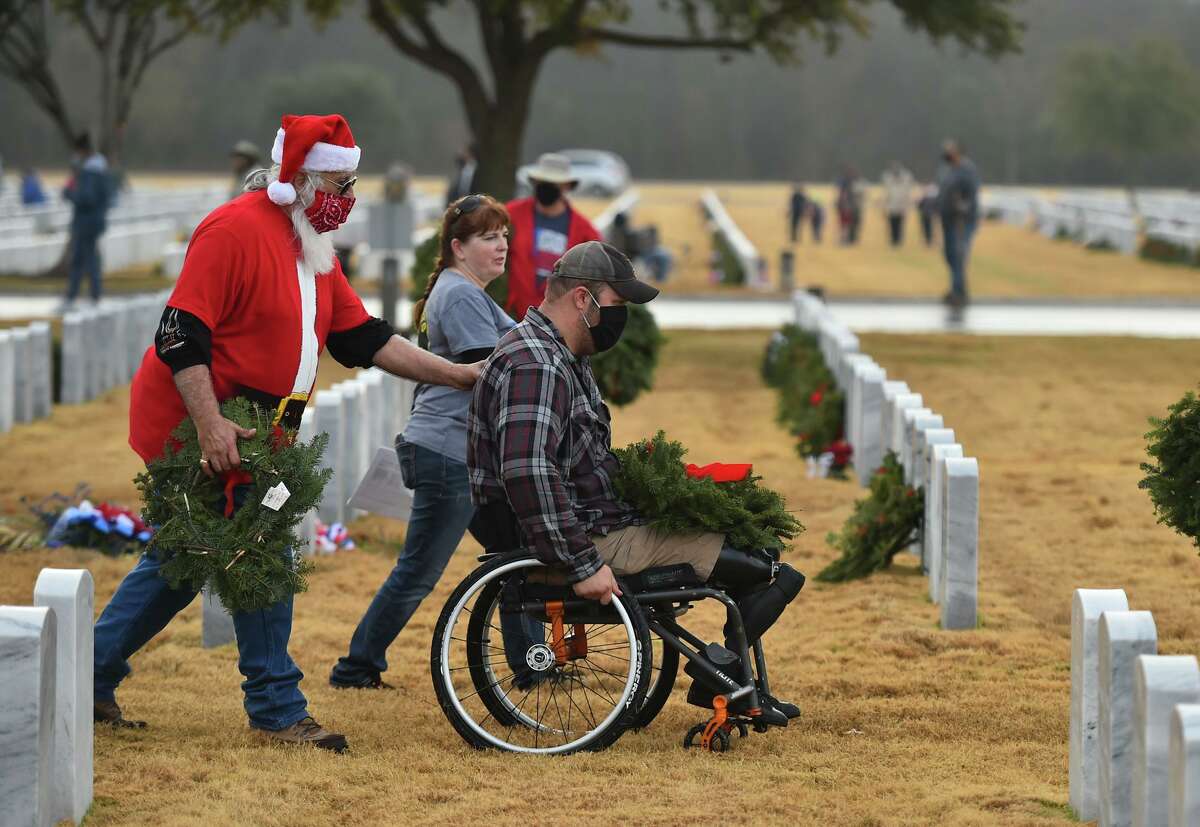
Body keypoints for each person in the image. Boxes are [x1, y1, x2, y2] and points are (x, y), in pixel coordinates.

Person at [94, 114, 481, 753]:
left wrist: (458, 376)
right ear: (298, 177)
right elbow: (179, 334)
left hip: (260, 432)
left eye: (352, 183)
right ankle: (277, 711)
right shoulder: (233, 229)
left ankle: (91, 673)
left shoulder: (312, 244)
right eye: (338, 182)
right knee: (261, 557)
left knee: (182, 561)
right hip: (206, 424)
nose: (348, 197)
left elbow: (364, 337)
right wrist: (210, 424)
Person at [468, 240, 806, 726]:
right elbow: (528, 472)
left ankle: (734, 679)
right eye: (617, 306)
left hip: (597, 519)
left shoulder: (562, 356)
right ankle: (725, 678)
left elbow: (576, 461)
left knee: (758, 551)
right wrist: (582, 563)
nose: (620, 318)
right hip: (585, 535)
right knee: (756, 566)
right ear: (582, 300)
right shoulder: (537, 365)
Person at [329, 194, 516, 689]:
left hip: (466, 453)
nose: (501, 247)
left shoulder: (467, 291)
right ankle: (356, 668)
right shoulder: (459, 295)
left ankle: (530, 664)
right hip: (449, 451)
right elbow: (490, 375)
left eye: (504, 237)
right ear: (458, 246)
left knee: (517, 554)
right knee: (419, 571)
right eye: (488, 237)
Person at [503, 152, 600, 320]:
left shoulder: (585, 231)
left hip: (559, 319)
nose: (547, 187)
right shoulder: (511, 215)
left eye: (554, 183)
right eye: (543, 182)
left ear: (567, 187)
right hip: (514, 315)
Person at [62, 132, 112, 308]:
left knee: (82, 260)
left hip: (86, 222)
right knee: (88, 258)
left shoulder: (90, 172)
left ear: (82, 151)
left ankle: (76, 297)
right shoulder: (101, 169)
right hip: (94, 221)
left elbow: (87, 198)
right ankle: (91, 296)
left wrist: (69, 194)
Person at [937, 140, 981, 308]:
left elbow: (972, 193)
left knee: (958, 253)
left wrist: (963, 207)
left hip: (962, 220)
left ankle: (958, 291)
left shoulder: (967, 169)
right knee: (949, 254)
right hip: (947, 218)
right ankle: (957, 288)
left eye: (950, 151)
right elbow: (942, 191)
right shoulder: (945, 169)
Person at [880, 161, 914, 247]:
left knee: (900, 224)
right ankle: (893, 240)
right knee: (892, 224)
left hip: (901, 206)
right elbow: (886, 193)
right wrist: (884, 206)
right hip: (891, 207)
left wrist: (907, 206)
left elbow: (907, 193)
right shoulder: (887, 178)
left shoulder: (906, 178)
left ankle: (898, 240)